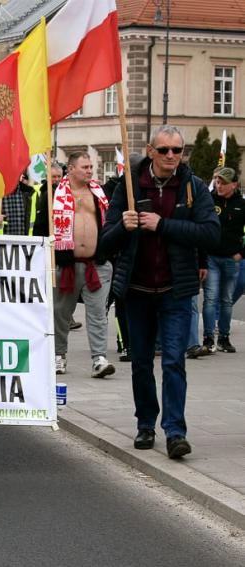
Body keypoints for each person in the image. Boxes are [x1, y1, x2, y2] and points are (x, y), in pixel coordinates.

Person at [101, 124, 220, 459]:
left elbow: (212, 234)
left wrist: (162, 225)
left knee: (173, 362)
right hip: (136, 291)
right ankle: (145, 424)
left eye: (177, 150)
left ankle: (175, 432)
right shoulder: (128, 187)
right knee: (141, 363)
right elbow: (103, 241)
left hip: (176, 291)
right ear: (150, 151)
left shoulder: (193, 187)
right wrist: (122, 228)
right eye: (164, 150)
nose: (171, 156)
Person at [38, 152, 115, 378]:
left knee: (98, 313)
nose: (90, 170)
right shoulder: (53, 195)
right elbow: (40, 229)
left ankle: (99, 359)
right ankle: (59, 356)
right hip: (65, 264)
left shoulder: (100, 194)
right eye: (85, 167)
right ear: (70, 169)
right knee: (61, 314)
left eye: (91, 166)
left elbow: (109, 224)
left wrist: (108, 254)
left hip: (96, 264)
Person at [201, 167, 244, 354]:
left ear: (234, 184)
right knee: (210, 299)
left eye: (224, 183)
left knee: (226, 300)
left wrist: (242, 254)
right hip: (212, 257)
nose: (219, 186)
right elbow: (201, 227)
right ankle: (208, 338)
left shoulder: (241, 205)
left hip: (231, 259)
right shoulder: (209, 201)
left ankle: (224, 338)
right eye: (218, 182)